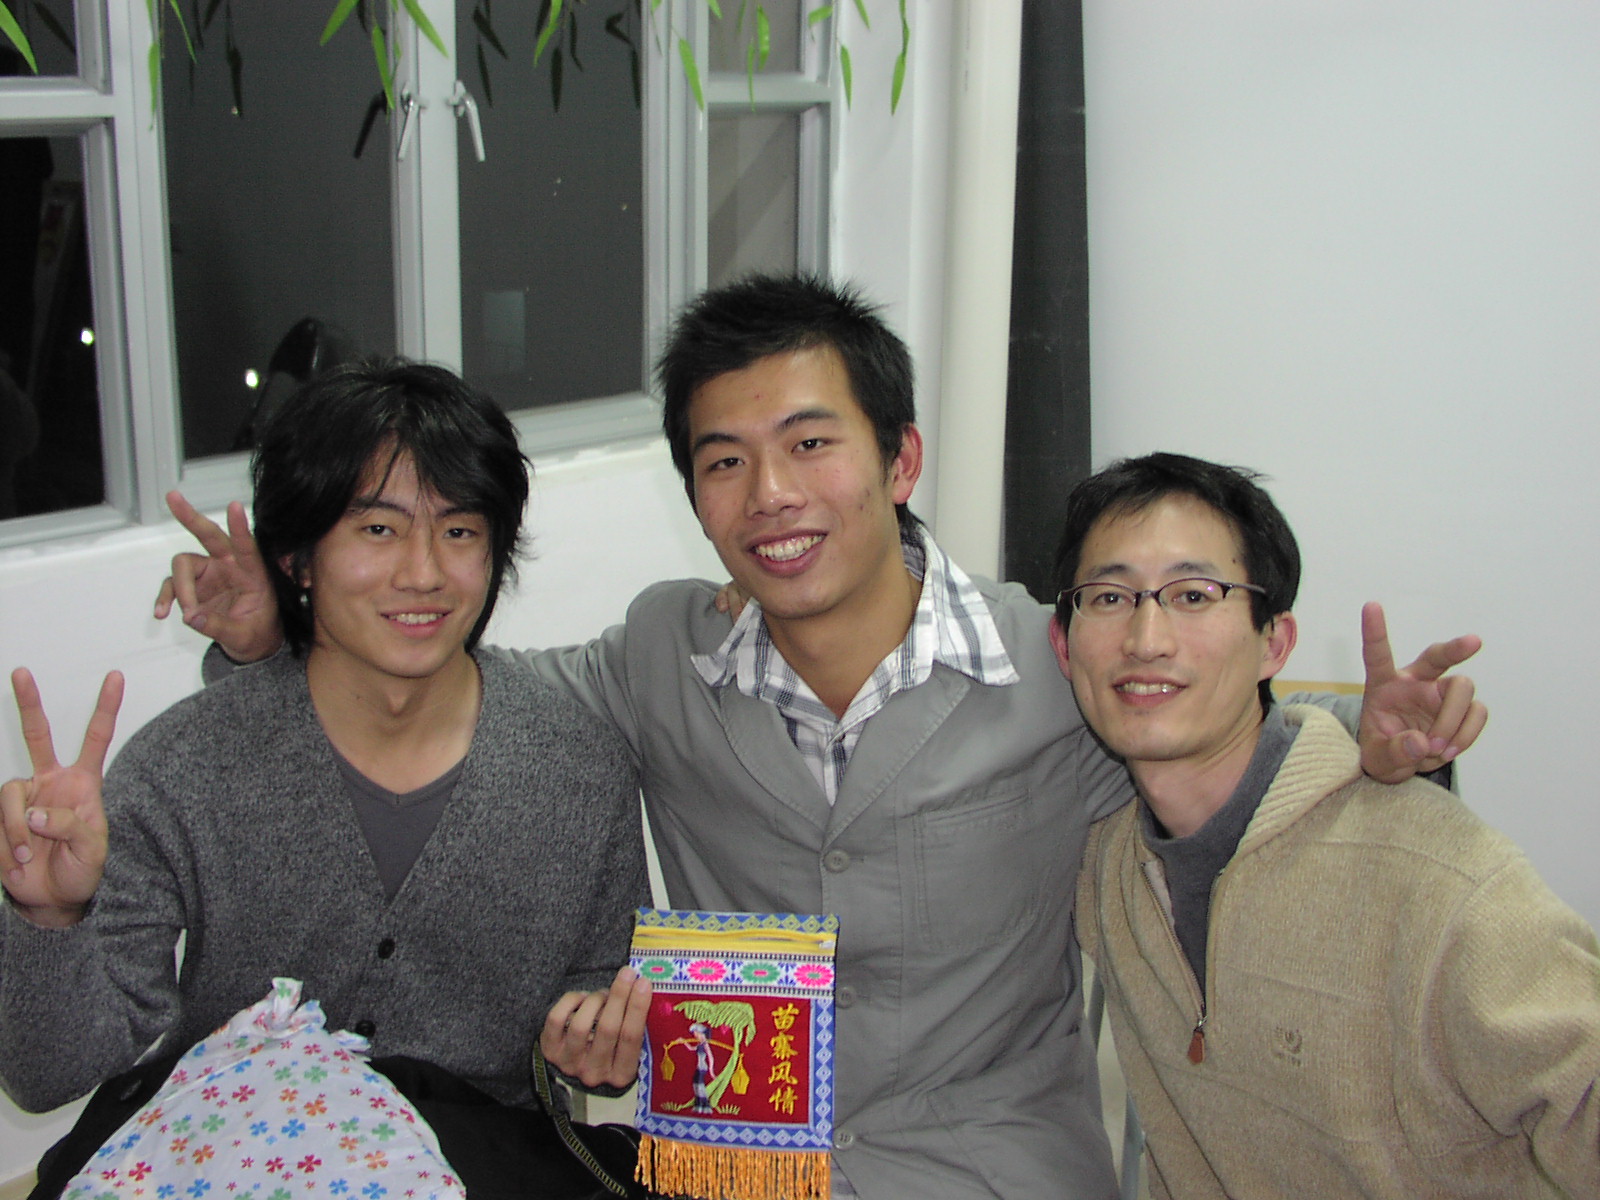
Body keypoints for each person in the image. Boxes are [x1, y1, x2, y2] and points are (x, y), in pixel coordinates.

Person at [156, 276, 1485, 1199]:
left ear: (900, 462)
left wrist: (1373, 746)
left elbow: (1219, 730)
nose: (771, 494)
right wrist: (277, 632)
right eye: (724, 460)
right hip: (734, 1162)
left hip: (986, 1165)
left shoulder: (1054, 661)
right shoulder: (660, 655)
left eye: (809, 443)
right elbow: (452, 682)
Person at [0, 361, 650, 1151]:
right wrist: (48, 918)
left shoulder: (579, 770)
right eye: (377, 530)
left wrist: (599, 1050)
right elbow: (48, 1077)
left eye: (459, 531)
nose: (423, 573)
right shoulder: (184, 766)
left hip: (476, 1160)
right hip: (233, 1153)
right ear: (297, 560)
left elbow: (601, 1008)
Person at [1051, 451, 1598, 1198]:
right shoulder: (1108, 867)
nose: (1147, 639)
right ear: (1063, 646)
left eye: (1193, 594)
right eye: (1110, 597)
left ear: (1274, 643)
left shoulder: (1444, 883)